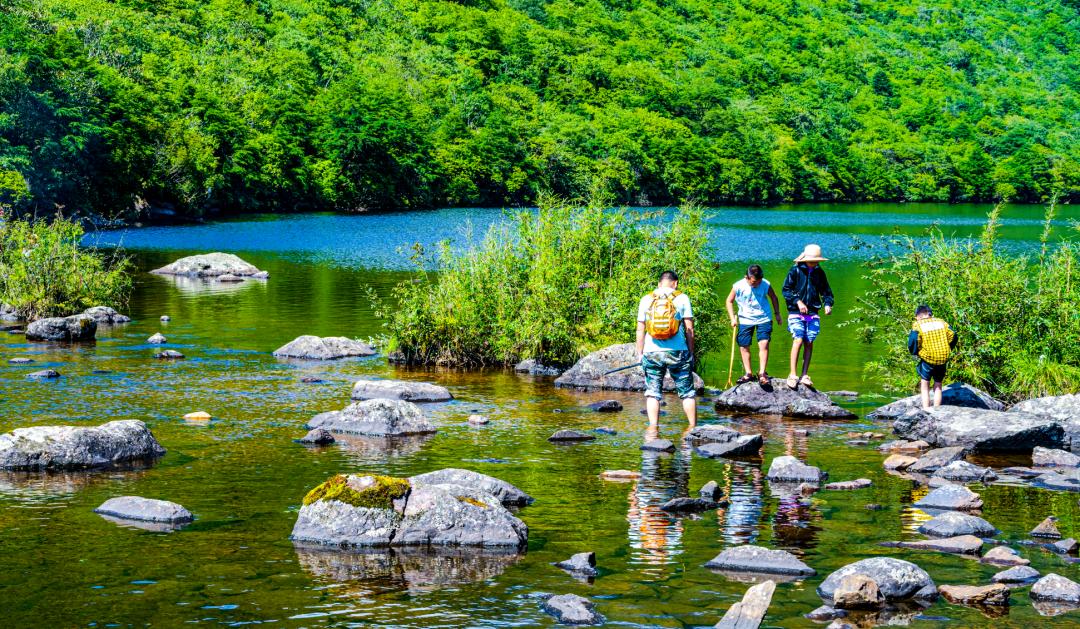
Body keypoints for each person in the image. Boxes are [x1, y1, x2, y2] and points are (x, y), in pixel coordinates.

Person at [636, 270, 696, 438]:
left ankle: (653, 429)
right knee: (687, 392)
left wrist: (640, 353)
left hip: (651, 351)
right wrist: (691, 352)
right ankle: (692, 429)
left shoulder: (646, 299)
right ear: (675, 283)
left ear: (659, 283)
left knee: (653, 392)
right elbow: (689, 329)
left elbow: (640, 329)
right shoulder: (682, 298)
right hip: (678, 352)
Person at [781, 244, 834, 389]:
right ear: (805, 259)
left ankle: (804, 374)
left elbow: (826, 292)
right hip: (795, 312)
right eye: (812, 260)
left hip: (813, 312)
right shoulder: (795, 270)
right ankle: (792, 374)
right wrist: (798, 302)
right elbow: (786, 290)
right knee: (798, 339)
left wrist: (828, 304)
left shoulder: (819, 273)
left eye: (816, 261)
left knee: (809, 341)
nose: (814, 263)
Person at [725, 264, 782, 385]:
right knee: (744, 345)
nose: (757, 284)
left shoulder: (765, 284)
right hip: (745, 319)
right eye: (754, 282)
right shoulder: (738, 286)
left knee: (764, 342)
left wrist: (777, 314)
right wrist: (732, 318)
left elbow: (774, 298)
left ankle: (762, 373)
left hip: (764, 317)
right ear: (747, 278)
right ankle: (748, 373)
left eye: (759, 281)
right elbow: (729, 301)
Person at [908, 305, 957, 409]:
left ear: (918, 316)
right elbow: (954, 335)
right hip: (943, 358)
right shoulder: (941, 322)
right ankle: (937, 410)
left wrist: (915, 352)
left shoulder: (917, 325)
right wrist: (948, 348)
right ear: (930, 314)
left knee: (925, 384)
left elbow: (913, 342)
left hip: (928, 359)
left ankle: (926, 410)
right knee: (938, 385)